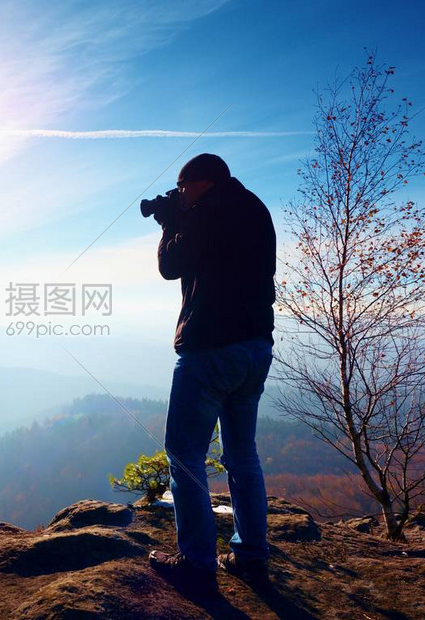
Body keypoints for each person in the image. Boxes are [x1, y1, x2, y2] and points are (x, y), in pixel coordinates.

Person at [147, 153, 276, 587]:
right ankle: (251, 556)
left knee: (184, 456)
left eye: (183, 188)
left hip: (211, 350)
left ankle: (198, 564)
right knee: (242, 454)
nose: (179, 195)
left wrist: (170, 223)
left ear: (202, 183)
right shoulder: (255, 208)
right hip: (255, 348)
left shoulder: (207, 213)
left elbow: (170, 267)